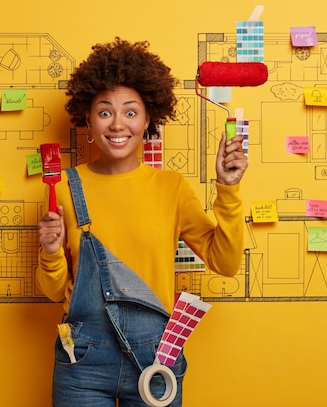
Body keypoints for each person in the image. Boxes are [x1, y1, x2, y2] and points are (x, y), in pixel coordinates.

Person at [37, 37, 248, 407]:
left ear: (149, 118)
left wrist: (228, 190)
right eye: (105, 112)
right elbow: (55, 291)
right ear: (87, 117)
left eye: (130, 112)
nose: (118, 124)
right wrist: (51, 252)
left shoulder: (171, 188)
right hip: (82, 362)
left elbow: (226, 263)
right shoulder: (66, 189)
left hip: (156, 358)